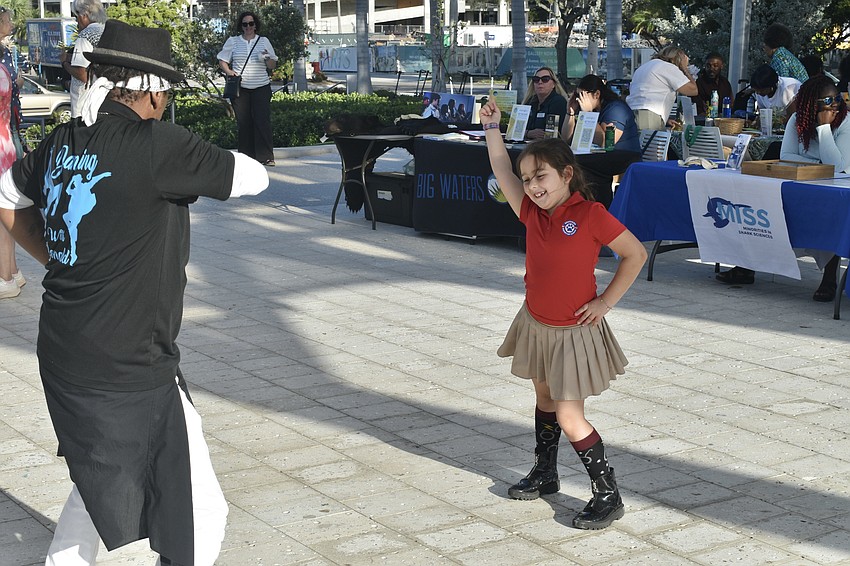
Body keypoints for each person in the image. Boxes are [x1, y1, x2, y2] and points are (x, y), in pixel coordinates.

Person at [0, 20, 269, 564]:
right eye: (166, 94)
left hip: (66, 353)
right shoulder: (159, 146)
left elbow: (7, 197)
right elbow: (253, 177)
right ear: (151, 91)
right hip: (128, 365)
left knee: (100, 476)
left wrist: (58, 256)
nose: (166, 104)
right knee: (200, 512)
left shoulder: (60, 141)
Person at [479, 99, 647, 530]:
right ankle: (546, 472)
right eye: (527, 180)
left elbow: (635, 255)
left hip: (574, 332)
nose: (533, 187)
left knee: (570, 417)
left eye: (541, 177)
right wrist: (492, 128)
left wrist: (605, 302)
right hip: (536, 323)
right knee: (544, 400)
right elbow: (500, 167)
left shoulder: (590, 215)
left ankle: (608, 495)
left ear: (566, 174)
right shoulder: (530, 212)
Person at [778, 75, 848, 301]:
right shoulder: (797, 119)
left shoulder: (846, 121)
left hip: (838, 190)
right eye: (828, 100)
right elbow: (786, 156)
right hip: (806, 183)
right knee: (774, 206)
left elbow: (838, 167)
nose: (835, 104)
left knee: (833, 214)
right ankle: (747, 266)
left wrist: (825, 128)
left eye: (837, 98)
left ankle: (830, 278)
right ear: (811, 104)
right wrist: (819, 164)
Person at [561, 74, 641, 208]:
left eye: (582, 96)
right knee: (569, 161)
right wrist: (570, 112)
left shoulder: (616, 109)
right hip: (602, 155)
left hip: (624, 156)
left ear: (597, 94)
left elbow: (606, 142)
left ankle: (598, 207)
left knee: (583, 167)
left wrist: (589, 114)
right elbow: (566, 138)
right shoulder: (589, 109)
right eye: (577, 96)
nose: (579, 100)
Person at [218, 10, 278, 166]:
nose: (248, 27)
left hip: (261, 86)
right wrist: (229, 72)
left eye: (251, 23)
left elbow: (272, 65)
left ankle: (266, 157)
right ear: (241, 26)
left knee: (262, 121)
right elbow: (222, 60)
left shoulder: (264, 41)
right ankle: (246, 158)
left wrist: (267, 58)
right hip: (241, 88)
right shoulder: (233, 41)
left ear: (255, 25)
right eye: (245, 24)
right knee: (244, 123)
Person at [0, 5, 23, 298]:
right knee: (5, 207)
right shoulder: (5, 65)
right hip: (5, 139)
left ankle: (5, 276)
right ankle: (12, 272)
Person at [626, 45, 698, 130]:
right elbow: (693, 90)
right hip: (648, 116)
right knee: (650, 139)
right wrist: (685, 68)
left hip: (631, 113)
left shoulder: (644, 66)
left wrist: (665, 120)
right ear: (677, 59)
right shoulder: (668, 67)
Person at [59, 0, 106, 118]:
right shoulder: (106, 32)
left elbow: (82, 74)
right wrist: (70, 57)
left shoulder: (85, 36)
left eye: (76, 17)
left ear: (84, 15)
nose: (76, 21)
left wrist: (64, 63)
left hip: (84, 109)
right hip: (103, 104)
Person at [523, 66, 569, 140]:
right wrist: (528, 133)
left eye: (545, 79)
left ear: (553, 84)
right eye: (536, 79)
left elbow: (551, 134)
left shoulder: (558, 102)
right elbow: (516, 129)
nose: (540, 82)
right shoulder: (529, 102)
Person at [692, 52, 734, 117]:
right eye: (708, 66)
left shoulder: (725, 83)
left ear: (721, 66)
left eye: (715, 66)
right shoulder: (699, 83)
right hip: (705, 119)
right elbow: (698, 108)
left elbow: (731, 103)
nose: (711, 69)